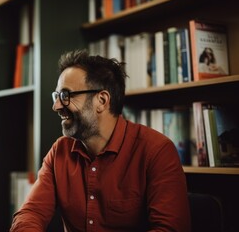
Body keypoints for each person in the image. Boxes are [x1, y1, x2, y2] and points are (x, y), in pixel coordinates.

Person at [10, 50, 191, 231]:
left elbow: (169, 229)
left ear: (102, 100)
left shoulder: (157, 151)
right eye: (56, 96)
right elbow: (30, 213)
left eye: (65, 96)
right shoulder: (60, 151)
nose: (56, 106)